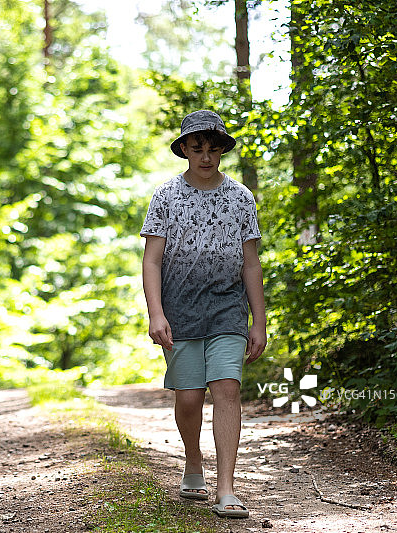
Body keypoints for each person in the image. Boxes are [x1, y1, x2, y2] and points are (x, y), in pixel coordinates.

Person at [140, 110, 266, 519]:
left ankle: (226, 488)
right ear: (184, 150)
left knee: (226, 388)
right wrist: (156, 313)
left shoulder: (240, 197)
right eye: (197, 149)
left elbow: (250, 262)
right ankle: (193, 462)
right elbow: (152, 260)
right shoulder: (166, 196)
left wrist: (259, 320)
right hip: (179, 308)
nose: (206, 157)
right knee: (190, 397)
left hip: (228, 307)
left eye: (213, 149)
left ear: (222, 151)